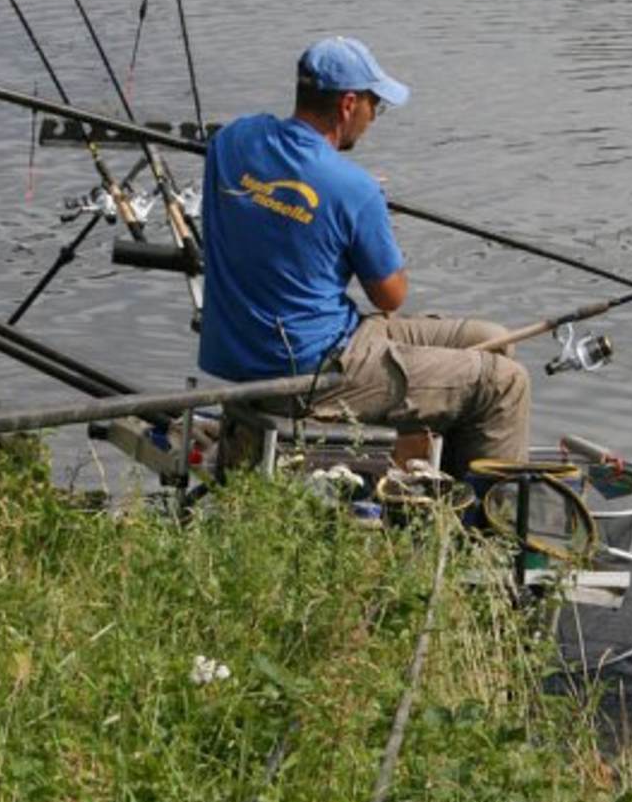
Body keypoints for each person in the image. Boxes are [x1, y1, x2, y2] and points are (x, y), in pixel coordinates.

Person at [199, 36, 530, 476]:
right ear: (348, 104)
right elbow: (390, 297)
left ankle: (439, 486)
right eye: (376, 105)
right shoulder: (354, 189)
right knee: (506, 383)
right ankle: (488, 532)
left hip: (252, 353)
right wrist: (369, 212)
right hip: (313, 375)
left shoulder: (231, 142)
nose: (374, 117)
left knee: (494, 338)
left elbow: (291, 191)